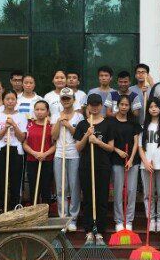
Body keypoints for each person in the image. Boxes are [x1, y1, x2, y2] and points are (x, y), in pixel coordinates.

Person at [74, 94, 116, 245]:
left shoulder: (108, 124)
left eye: (97, 104)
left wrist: (97, 141)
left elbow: (111, 148)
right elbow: (78, 147)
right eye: (92, 104)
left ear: (101, 105)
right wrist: (87, 135)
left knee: (102, 198)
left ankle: (99, 231)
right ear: (88, 106)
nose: (95, 107)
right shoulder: (82, 125)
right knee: (88, 198)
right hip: (86, 166)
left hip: (103, 166)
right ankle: (88, 231)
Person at [139, 97, 160, 232]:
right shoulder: (144, 126)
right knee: (148, 194)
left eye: (156, 106)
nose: (153, 109)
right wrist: (145, 162)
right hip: (147, 165)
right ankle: (151, 218)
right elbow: (140, 147)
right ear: (148, 109)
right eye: (151, 107)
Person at [51, 87, 83, 232]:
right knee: (60, 188)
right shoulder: (55, 116)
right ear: (60, 100)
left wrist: (68, 125)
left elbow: (80, 136)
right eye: (63, 99)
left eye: (68, 98)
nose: (66, 101)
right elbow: (53, 136)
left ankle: (73, 219)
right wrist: (59, 122)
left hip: (74, 155)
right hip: (59, 154)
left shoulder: (79, 117)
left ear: (73, 100)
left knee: (74, 187)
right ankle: (63, 218)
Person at [0, 90, 27, 212]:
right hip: (1, 151)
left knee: (16, 181)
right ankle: (2, 208)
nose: (10, 101)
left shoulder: (21, 116)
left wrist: (14, 125)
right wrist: (5, 128)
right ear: (3, 101)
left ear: (16, 101)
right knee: (1, 181)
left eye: (13, 99)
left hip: (17, 151)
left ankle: (15, 208)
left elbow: (22, 138)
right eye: (7, 99)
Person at [111, 94, 141, 232]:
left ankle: (129, 220)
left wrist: (131, 159)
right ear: (118, 105)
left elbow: (136, 142)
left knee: (131, 191)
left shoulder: (133, 121)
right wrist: (118, 151)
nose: (124, 107)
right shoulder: (111, 121)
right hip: (117, 160)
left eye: (126, 105)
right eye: (122, 104)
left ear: (130, 106)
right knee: (118, 191)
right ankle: (118, 220)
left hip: (132, 161)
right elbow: (109, 142)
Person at [23, 100, 56, 206]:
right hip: (32, 160)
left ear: (47, 111)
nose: (39, 112)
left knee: (46, 187)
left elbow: (55, 145)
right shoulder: (29, 125)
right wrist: (34, 153)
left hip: (47, 160)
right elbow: (24, 144)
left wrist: (45, 154)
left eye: (42, 109)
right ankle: (34, 211)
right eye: (37, 109)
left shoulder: (51, 126)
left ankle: (46, 211)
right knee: (33, 187)